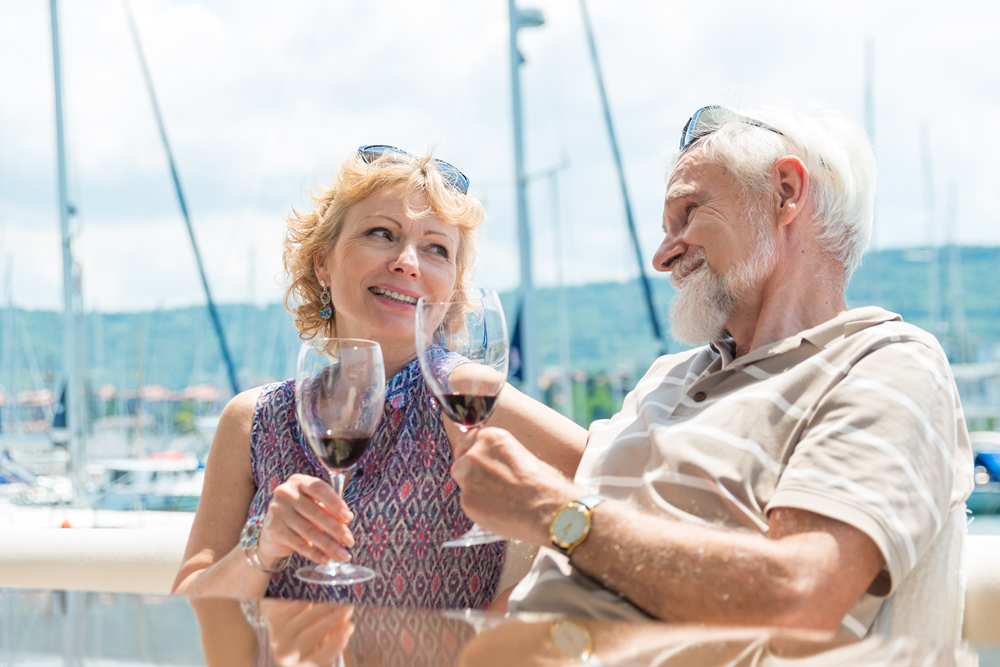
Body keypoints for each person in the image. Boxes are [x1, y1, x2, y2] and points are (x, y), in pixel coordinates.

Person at [450, 105, 974, 637]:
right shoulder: (671, 375)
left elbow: (800, 595)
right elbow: (593, 468)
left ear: (785, 193)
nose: (661, 257)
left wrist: (554, 513)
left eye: (689, 212)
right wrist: (438, 369)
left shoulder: (884, 365)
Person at [172, 145, 587, 608]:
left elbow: (619, 485)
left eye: (436, 248)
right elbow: (188, 606)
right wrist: (261, 546)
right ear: (322, 262)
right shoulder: (255, 419)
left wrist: (502, 615)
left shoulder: (463, 396)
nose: (408, 261)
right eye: (381, 233)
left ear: (451, 285)